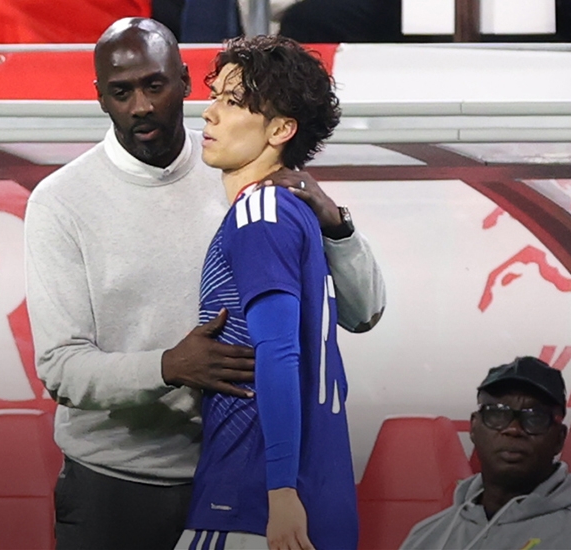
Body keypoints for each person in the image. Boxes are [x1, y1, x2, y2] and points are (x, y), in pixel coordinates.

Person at [24, 17, 386, 550]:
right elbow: (60, 367)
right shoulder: (60, 202)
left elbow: (364, 312)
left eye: (155, 85)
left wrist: (338, 227)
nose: (141, 106)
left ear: (185, 81)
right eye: (122, 92)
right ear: (100, 97)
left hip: (235, 478)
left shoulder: (240, 160)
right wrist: (168, 366)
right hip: (115, 486)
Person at [175, 34, 356, 550]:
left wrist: (279, 491)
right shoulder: (296, 213)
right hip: (314, 501)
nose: (209, 113)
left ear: (280, 129)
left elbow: (278, 353)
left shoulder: (260, 212)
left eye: (233, 101)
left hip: (250, 503)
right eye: (215, 95)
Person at [401, 357, 571, 550]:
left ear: (559, 439)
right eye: (497, 414)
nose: (513, 429)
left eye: (534, 417)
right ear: (474, 427)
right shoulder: (428, 536)